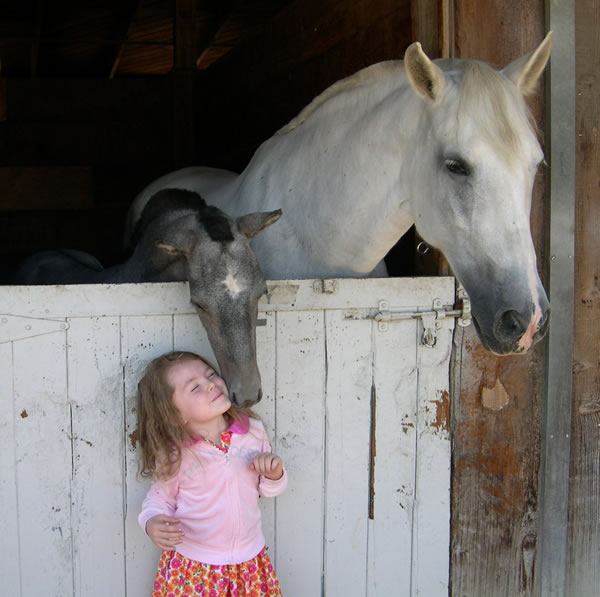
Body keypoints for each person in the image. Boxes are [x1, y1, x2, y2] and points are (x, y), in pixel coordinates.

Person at [136, 350, 287, 597]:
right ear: (175, 415)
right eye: (194, 388)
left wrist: (274, 474)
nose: (210, 385)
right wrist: (151, 523)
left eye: (211, 375)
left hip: (249, 562)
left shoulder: (253, 433)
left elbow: (267, 489)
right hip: (195, 568)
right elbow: (158, 500)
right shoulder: (176, 456)